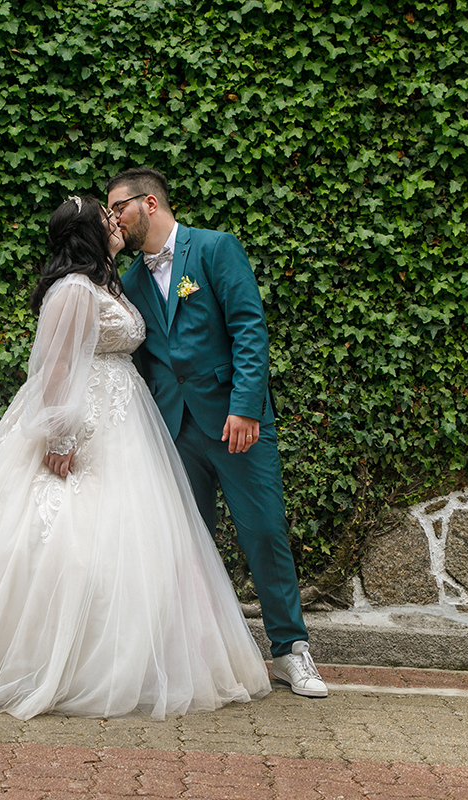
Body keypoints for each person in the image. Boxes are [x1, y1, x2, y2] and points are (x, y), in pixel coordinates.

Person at [0, 195, 271, 720]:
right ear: (87, 233)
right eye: (106, 218)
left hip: (127, 418)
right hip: (86, 421)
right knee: (65, 533)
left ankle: (132, 656)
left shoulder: (106, 283)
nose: (116, 222)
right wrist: (60, 436)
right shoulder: (73, 288)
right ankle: (44, 658)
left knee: (134, 538)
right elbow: (53, 367)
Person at [105, 167, 328, 698]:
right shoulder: (131, 279)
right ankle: (199, 656)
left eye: (119, 208)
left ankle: (289, 651)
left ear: (151, 204)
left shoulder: (214, 249)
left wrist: (247, 406)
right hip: (174, 429)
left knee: (265, 532)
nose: (113, 218)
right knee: (185, 545)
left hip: (236, 424)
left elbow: (248, 325)